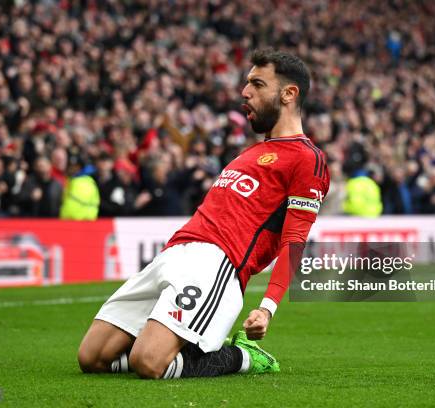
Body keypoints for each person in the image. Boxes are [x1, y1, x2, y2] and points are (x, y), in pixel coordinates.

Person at [77, 50, 329, 379]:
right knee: (92, 358)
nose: (245, 92)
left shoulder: (307, 159)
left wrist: (267, 307)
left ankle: (243, 356)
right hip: (173, 252)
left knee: (149, 363)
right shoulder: (251, 152)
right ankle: (186, 342)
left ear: (288, 93)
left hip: (217, 263)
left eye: (256, 83)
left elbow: (294, 240)